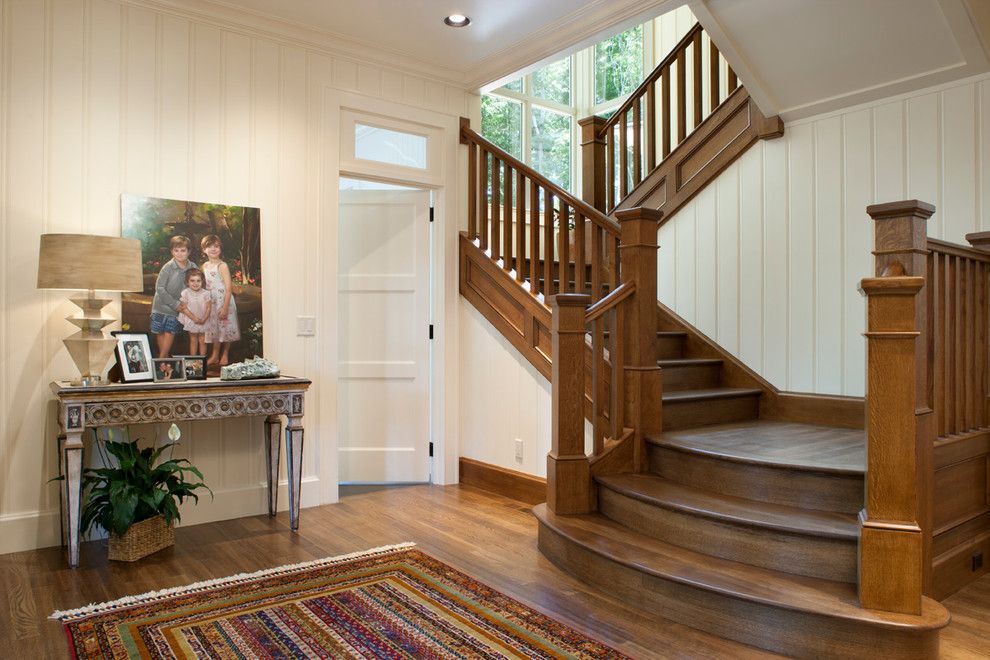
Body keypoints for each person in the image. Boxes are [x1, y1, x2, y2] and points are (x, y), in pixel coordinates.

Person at [151, 236, 197, 358]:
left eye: (183, 250)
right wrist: (174, 304)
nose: (179, 254)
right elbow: (160, 288)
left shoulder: (192, 267)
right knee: (160, 331)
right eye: (176, 251)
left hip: (177, 308)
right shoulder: (168, 267)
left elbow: (197, 284)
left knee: (170, 331)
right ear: (172, 251)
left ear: (189, 251)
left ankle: (161, 359)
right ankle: (164, 360)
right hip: (161, 305)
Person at [201, 234, 240, 372]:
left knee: (226, 327)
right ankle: (215, 355)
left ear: (220, 249)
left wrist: (224, 307)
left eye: (216, 246)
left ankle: (225, 353)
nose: (213, 249)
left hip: (224, 301)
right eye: (209, 246)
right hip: (213, 301)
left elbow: (228, 288)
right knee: (215, 329)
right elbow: (206, 285)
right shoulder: (205, 266)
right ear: (204, 250)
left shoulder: (222, 266)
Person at [178, 268, 212, 356]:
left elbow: (209, 307)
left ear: (202, 282)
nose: (195, 283)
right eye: (192, 281)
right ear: (187, 282)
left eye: (198, 281)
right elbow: (184, 308)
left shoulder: (206, 293)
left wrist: (204, 319)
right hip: (191, 319)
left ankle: (202, 360)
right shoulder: (185, 293)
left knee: (202, 340)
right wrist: (194, 319)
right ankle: (193, 360)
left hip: (203, 318)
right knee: (193, 340)